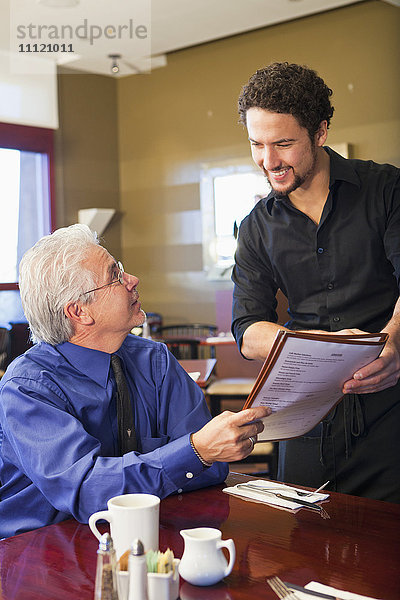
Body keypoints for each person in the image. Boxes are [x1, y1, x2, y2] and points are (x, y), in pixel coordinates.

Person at [0, 224, 269, 537]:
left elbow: (213, 465)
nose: (132, 280)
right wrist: (191, 452)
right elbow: (88, 490)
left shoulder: (155, 361)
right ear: (79, 311)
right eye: (115, 275)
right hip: (38, 552)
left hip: (141, 539)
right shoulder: (28, 389)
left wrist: (195, 454)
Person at [232, 62, 400, 502]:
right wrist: (316, 348)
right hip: (304, 422)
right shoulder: (255, 227)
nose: (269, 162)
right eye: (257, 144)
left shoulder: (387, 189)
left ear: (320, 132)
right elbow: (248, 329)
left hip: (390, 412)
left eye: (283, 144)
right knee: (302, 550)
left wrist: (394, 342)